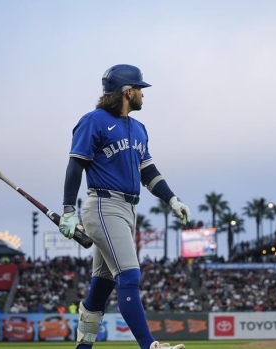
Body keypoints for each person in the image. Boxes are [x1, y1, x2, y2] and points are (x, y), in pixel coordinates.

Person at [58, 64, 190, 349]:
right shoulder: (93, 121)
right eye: (140, 89)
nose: (143, 94)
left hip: (127, 210)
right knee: (129, 275)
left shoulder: (139, 128)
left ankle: (83, 347)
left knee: (101, 287)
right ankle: (149, 346)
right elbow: (75, 165)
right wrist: (68, 210)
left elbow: (148, 171)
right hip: (104, 206)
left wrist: (172, 199)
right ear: (127, 92)